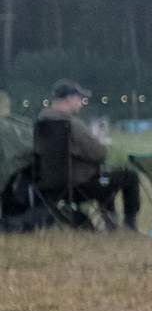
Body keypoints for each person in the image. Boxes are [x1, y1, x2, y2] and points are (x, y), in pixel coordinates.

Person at [38, 81, 139, 230]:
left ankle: (110, 223)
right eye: (79, 99)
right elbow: (99, 154)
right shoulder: (73, 125)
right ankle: (129, 225)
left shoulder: (41, 121)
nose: (82, 103)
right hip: (80, 185)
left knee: (105, 179)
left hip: (50, 186)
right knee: (128, 175)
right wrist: (103, 143)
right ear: (69, 98)